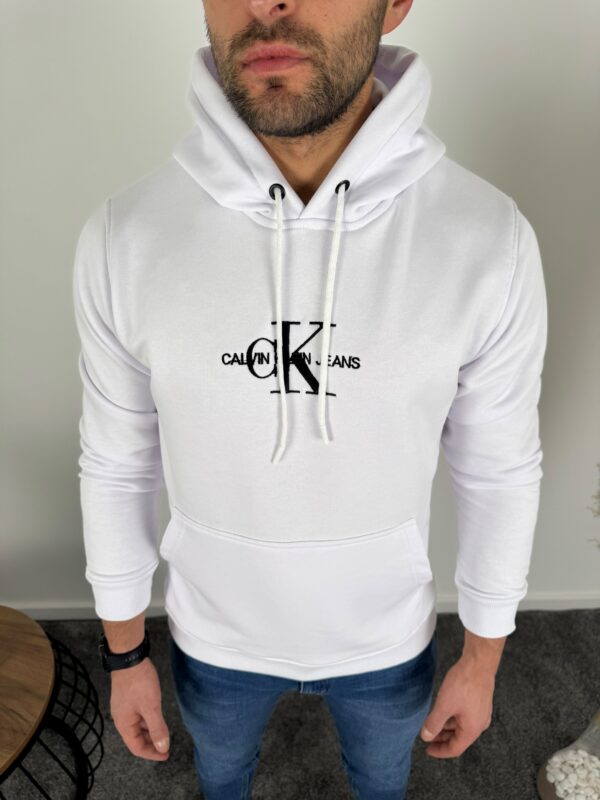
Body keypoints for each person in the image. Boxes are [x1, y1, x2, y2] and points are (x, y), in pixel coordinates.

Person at [72, 1, 548, 798]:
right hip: (212, 638)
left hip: (387, 638)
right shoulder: (127, 236)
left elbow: (499, 469)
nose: (267, 2)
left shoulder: (485, 238)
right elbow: (116, 462)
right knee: (222, 782)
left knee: (380, 785)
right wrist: (124, 656)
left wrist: (483, 657)